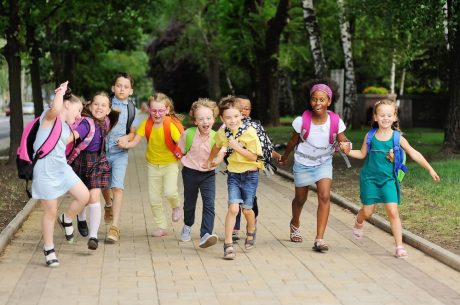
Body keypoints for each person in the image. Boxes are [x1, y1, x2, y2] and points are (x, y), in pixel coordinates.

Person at [343, 99, 440, 258]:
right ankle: (359, 222)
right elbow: (361, 154)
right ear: (375, 117)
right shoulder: (370, 135)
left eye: (389, 115)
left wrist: (430, 169)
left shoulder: (397, 137)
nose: (385, 118)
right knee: (368, 212)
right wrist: (347, 151)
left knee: (393, 212)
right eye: (382, 115)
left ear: (395, 117)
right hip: (370, 180)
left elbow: (413, 153)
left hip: (388, 180)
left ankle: (399, 246)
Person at [279, 79, 350, 252]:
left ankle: (319, 239)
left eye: (322, 100)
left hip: (323, 163)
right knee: (300, 199)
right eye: (314, 99)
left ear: (329, 102)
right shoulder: (301, 120)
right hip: (303, 162)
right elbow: (292, 141)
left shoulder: (335, 121)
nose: (317, 103)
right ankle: (295, 223)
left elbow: (343, 140)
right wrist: (285, 156)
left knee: (324, 196)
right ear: (310, 100)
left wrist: (346, 145)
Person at [33, 82, 89, 267]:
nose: (79, 115)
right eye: (78, 110)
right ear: (67, 104)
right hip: (45, 169)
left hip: (61, 168)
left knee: (84, 196)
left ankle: (67, 219)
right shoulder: (49, 118)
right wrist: (61, 91)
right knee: (50, 211)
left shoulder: (66, 127)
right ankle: (49, 249)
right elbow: (56, 108)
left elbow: (75, 137)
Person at [207, 95, 263, 259]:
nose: (232, 120)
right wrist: (210, 160)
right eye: (228, 117)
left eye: (236, 116)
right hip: (233, 175)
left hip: (250, 175)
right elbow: (217, 145)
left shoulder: (250, 133)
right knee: (233, 208)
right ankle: (228, 243)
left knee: (247, 210)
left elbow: (254, 157)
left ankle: (251, 229)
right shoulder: (223, 132)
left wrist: (237, 147)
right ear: (222, 118)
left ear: (242, 115)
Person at [121, 93, 184, 237]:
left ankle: (176, 206)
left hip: (170, 164)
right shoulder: (146, 124)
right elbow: (135, 142)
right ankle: (161, 226)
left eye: (161, 110)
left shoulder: (170, 125)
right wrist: (125, 144)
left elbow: (182, 143)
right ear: (149, 110)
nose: (157, 114)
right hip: (152, 165)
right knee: (154, 198)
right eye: (154, 110)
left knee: (170, 191)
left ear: (167, 110)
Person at [69, 92, 120, 250]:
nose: (99, 107)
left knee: (94, 196)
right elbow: (74, 136)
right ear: (90, 106)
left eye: (103, 105)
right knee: (83, 196)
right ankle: (81, 217)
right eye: (96, 104)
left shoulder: (106, 121)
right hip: (81, 161)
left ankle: (93, 236)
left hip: (98, 162)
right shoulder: (86, 123)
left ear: (108, 110)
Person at [231, 96, 282, 241]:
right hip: (234, 168)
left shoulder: (255, 126)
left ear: (250, 110)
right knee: (235, 199)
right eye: (239, 108)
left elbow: (265, 145)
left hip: (251, 169)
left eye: (246, 108)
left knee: (249, 198)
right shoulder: (229, 125)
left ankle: (252, 222)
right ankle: (235, 227)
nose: (243, 111)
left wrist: (276, 155)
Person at [178, 98, 225, 248]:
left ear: (214, 118)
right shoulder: (188, 134)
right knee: (189, 203)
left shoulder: (217, 137)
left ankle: (205, 234)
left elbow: (220, 155)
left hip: (208, 174)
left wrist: (214, 162)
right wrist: (182, 160)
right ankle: (187, 225)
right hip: (190, 173)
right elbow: (180, 150)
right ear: (195, 121)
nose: (205, 121)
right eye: (201, 119)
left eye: (208, 118)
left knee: (209, 204)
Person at [102, 72, 139, 243]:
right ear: (113, 88)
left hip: (120, 154)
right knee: (103, 186)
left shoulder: (132, 110)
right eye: (119, 85)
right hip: (101, 152)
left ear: (131, 90)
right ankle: (107, 205)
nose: (122, 89)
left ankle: (114, 227)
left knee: (117, 187)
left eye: (126, 86)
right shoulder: (104, 104)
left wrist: (127, 139)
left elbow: (133, 132)